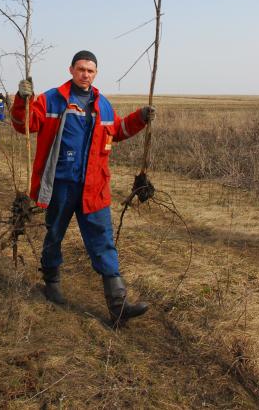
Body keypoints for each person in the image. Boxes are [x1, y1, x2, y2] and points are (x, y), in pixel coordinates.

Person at [11, 50, 156, 325]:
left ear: (96, 73)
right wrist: (22, 100)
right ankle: (51, 284)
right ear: (71, 70)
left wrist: (140, 117)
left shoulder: (103, 104)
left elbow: (118, 131)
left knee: (103, 241)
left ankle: (118, 305)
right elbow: (24, 124)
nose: (85, 74)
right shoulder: (52, 99)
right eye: (80, 69)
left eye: (90, 70)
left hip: (94, 186)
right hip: (60, 184)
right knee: (54, 234)